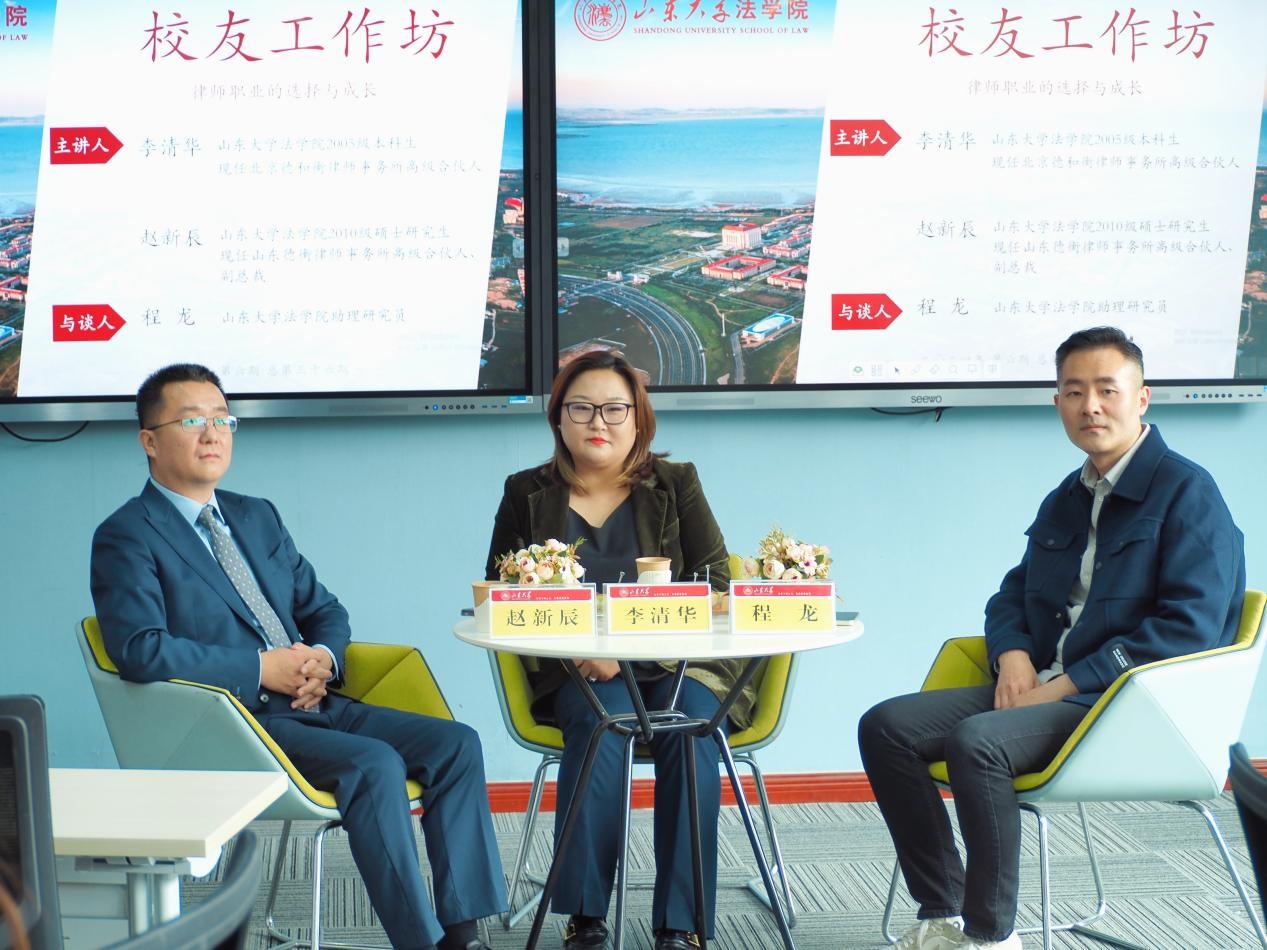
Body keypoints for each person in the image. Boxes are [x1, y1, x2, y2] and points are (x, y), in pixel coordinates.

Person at [90, 363, 506, 950]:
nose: (212, 433)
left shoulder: (256, 515)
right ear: (149, 441)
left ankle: (463, 935)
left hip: (318, 701)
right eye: (191, 421)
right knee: (374, 764)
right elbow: (140, 649)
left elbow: (325, 609)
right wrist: (263, 668)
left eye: (222, 419)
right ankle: (421, 942)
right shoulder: (127, 534)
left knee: (456, 744)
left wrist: (322, 660)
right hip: (240, 723)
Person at [858, 326, 1245, 950]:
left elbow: (1188, 631)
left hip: (1122, 705)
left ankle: (991, 936)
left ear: (1141, 398)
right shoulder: (1068, 495)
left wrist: (1062, 685)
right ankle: (944, 912)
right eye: (1074, 391)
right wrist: (1012, 655)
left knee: (978, 741)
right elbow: (1013, 594)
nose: (1091, 406)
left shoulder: (1188, 493)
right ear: (1057, 401)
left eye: (1107, 389)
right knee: (886, 727)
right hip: (1043, 687)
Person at [485, 350, 746, 950]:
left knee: (691, 731)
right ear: (559, 418)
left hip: (681, 661)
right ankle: (585, 916)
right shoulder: (526, 492)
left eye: (614, 409)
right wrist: (585, 651)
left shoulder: (675, 484)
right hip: (580, 669)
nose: (597, 422)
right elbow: (503, 593)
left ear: (638, 418)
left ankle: (681, 923)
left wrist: (628, 653)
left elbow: (716, 584)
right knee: (602, 723)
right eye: (581, 408)